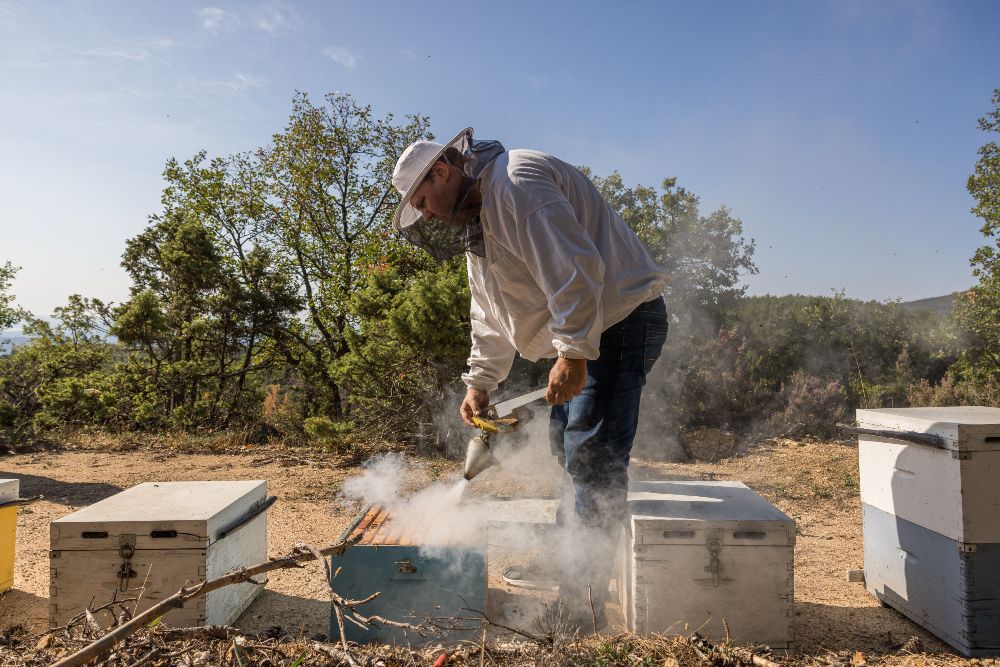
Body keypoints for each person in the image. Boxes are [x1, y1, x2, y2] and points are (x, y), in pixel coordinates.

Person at [392, 128, 669, 629]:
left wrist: (574, 352)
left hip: (618, 323)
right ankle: (573, 563)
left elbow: (576, 269)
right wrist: (481, 381)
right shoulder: (480, 225)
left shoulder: (516, 183)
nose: (426, 213)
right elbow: (490, 313)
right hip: (589, 332)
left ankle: (581, 609)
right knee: (568, 449)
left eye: (423, 199)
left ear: (442, 171)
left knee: (593, 461)